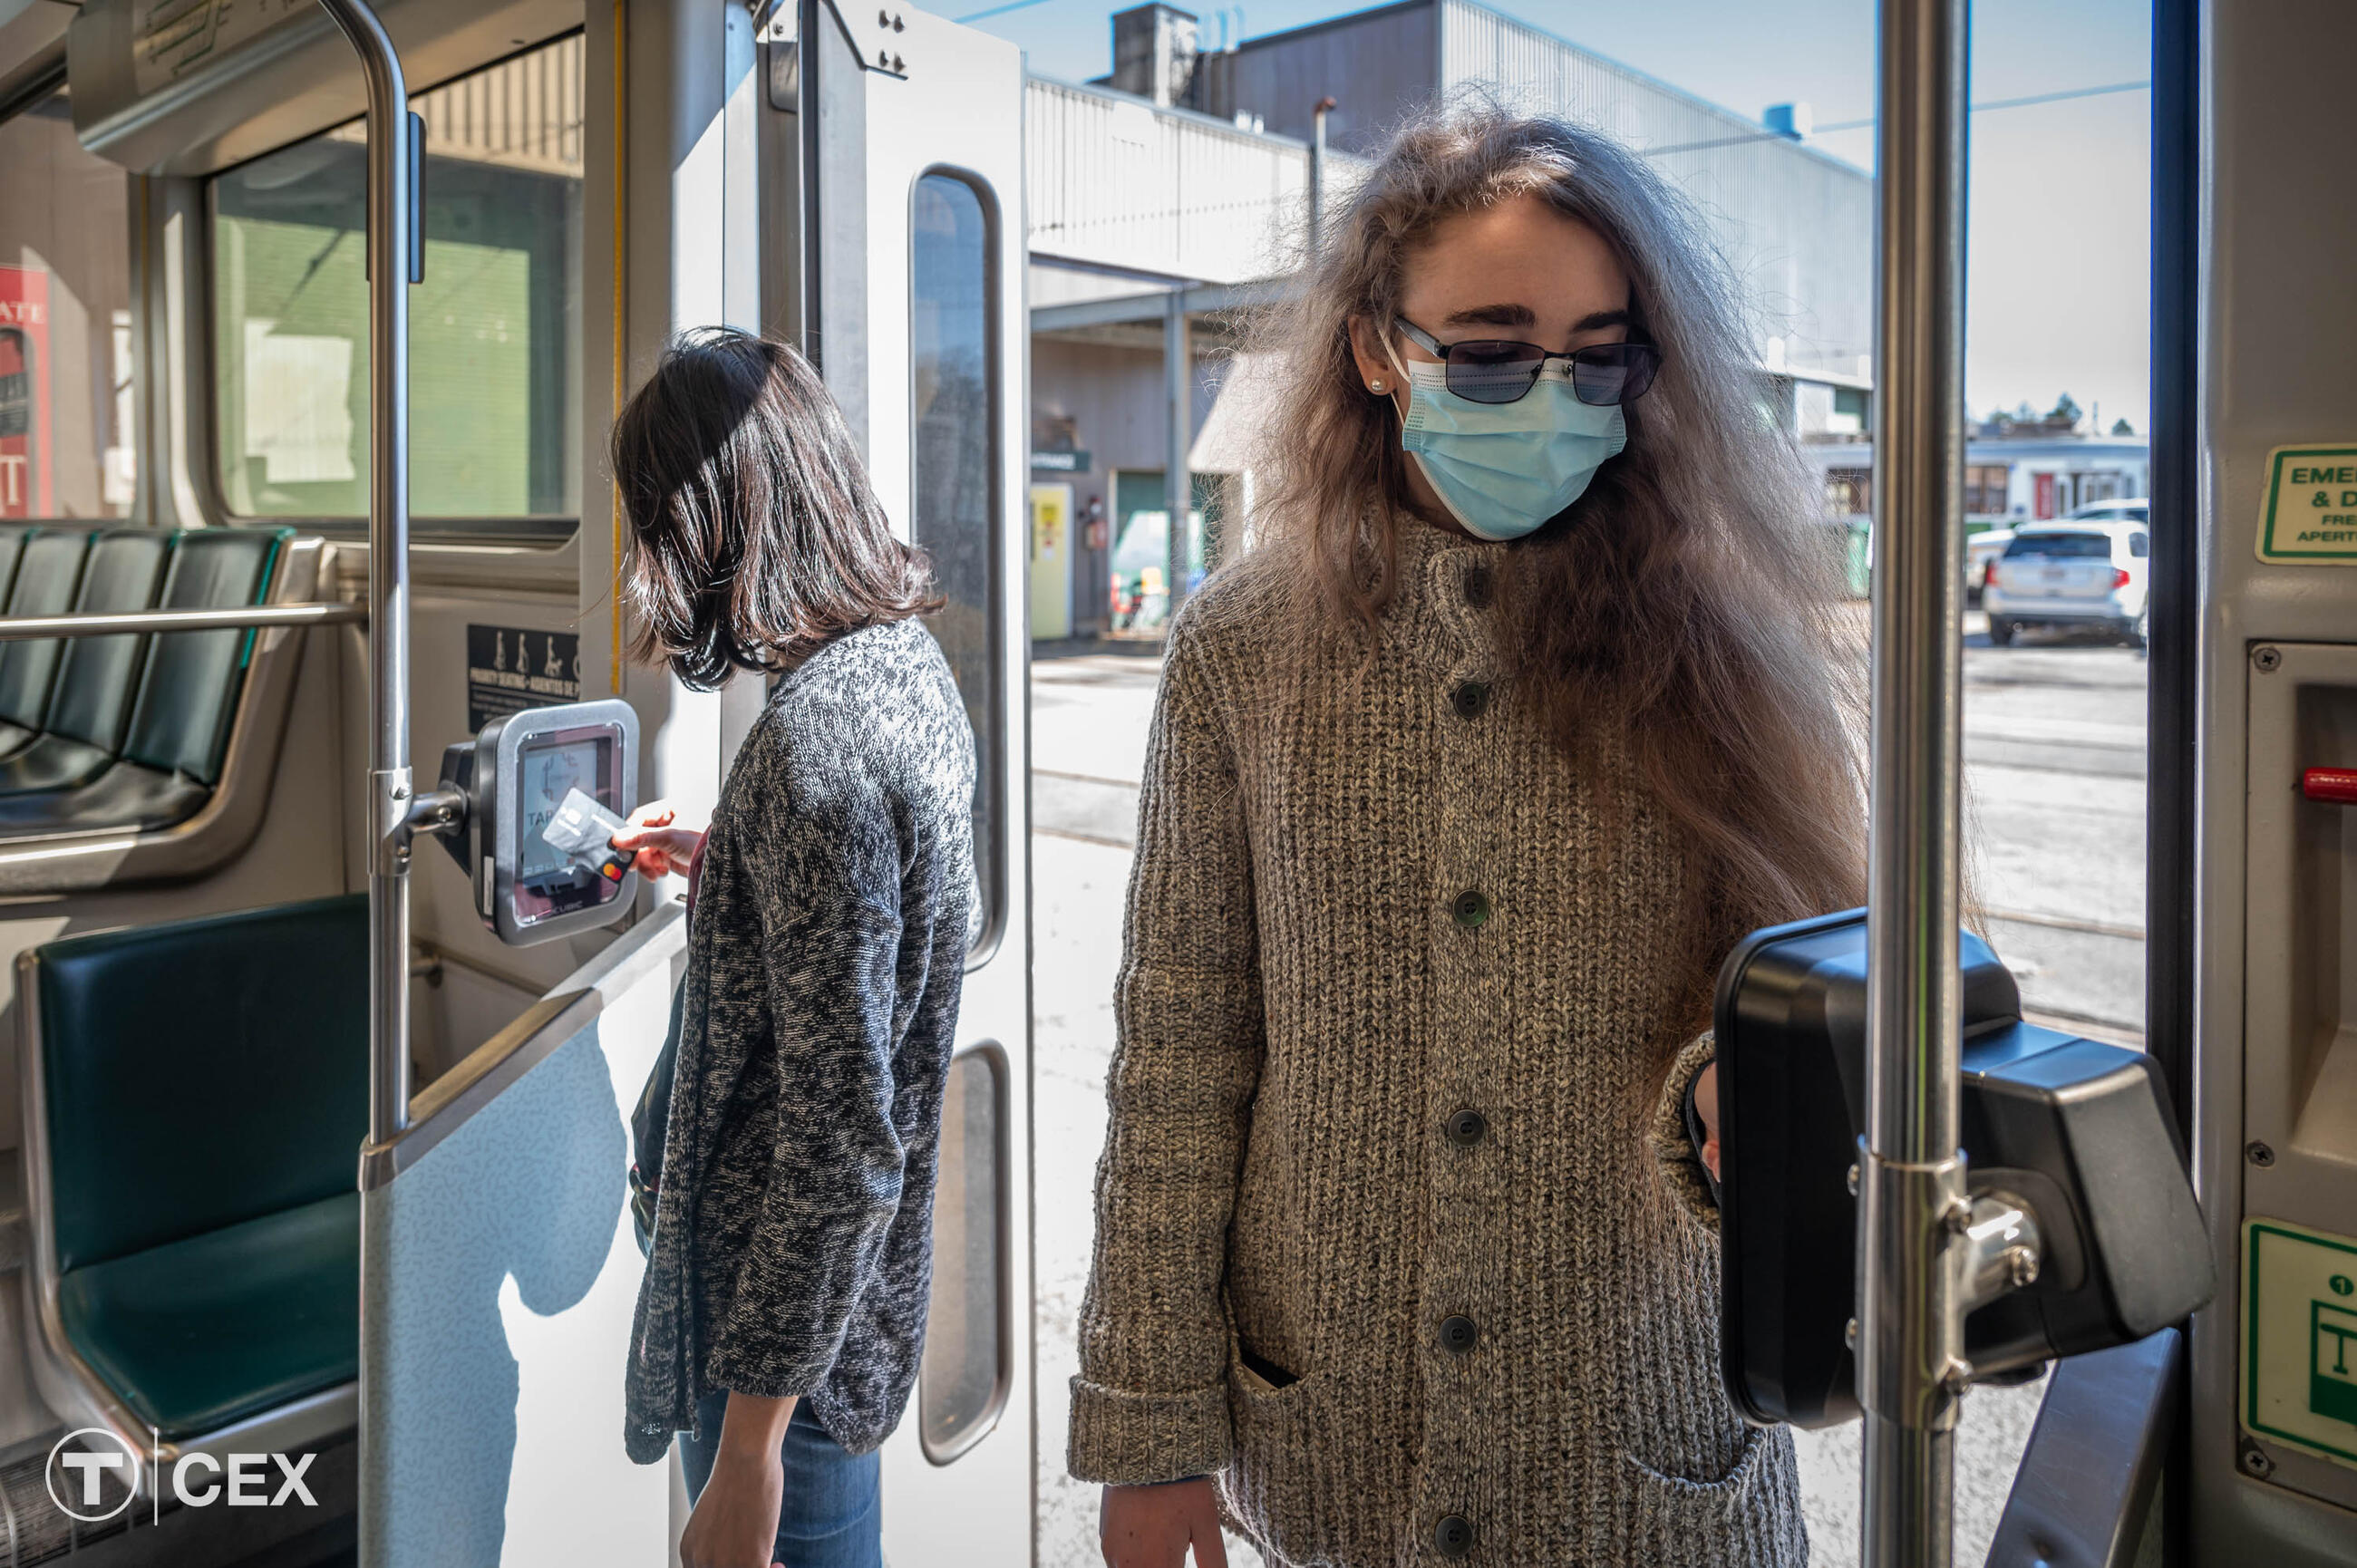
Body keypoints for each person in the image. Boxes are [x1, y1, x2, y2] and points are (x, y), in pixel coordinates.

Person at [1070, 107, 1866, 1568]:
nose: (1552, 395)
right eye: (1492, 352)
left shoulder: (1725, 648)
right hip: (1338, 1461)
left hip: (1646, 1460)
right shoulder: (1243, 649)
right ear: (1378, 350)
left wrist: (1728, 1094)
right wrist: (1145, 1418)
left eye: (1601, 353)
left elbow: (1803, 988)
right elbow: (1182, 1044)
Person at [612, 328, 977, 1568]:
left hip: (779, 1365)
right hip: (823, 1332)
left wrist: (749, 1449)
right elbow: (871, 945)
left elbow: (840, 1136)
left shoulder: (820, 749)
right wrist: (735, 859)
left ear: (710, 519)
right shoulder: (899, 667)